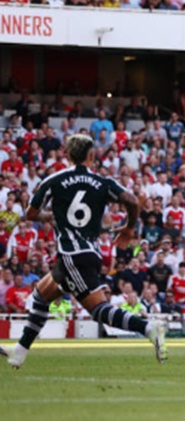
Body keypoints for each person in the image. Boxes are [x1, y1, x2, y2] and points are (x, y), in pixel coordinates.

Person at [0, 134, 167, 369]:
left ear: (67, 155)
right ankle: (19, 352)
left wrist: (50, 216)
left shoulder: (55, 180)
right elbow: (131, 200)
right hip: (88, 254)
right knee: (40, 296)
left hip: (73, 255)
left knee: (98, 309)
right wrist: (129, 229)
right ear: (91, 155)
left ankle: (149, 328)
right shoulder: (103, 182)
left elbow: (30, 214)